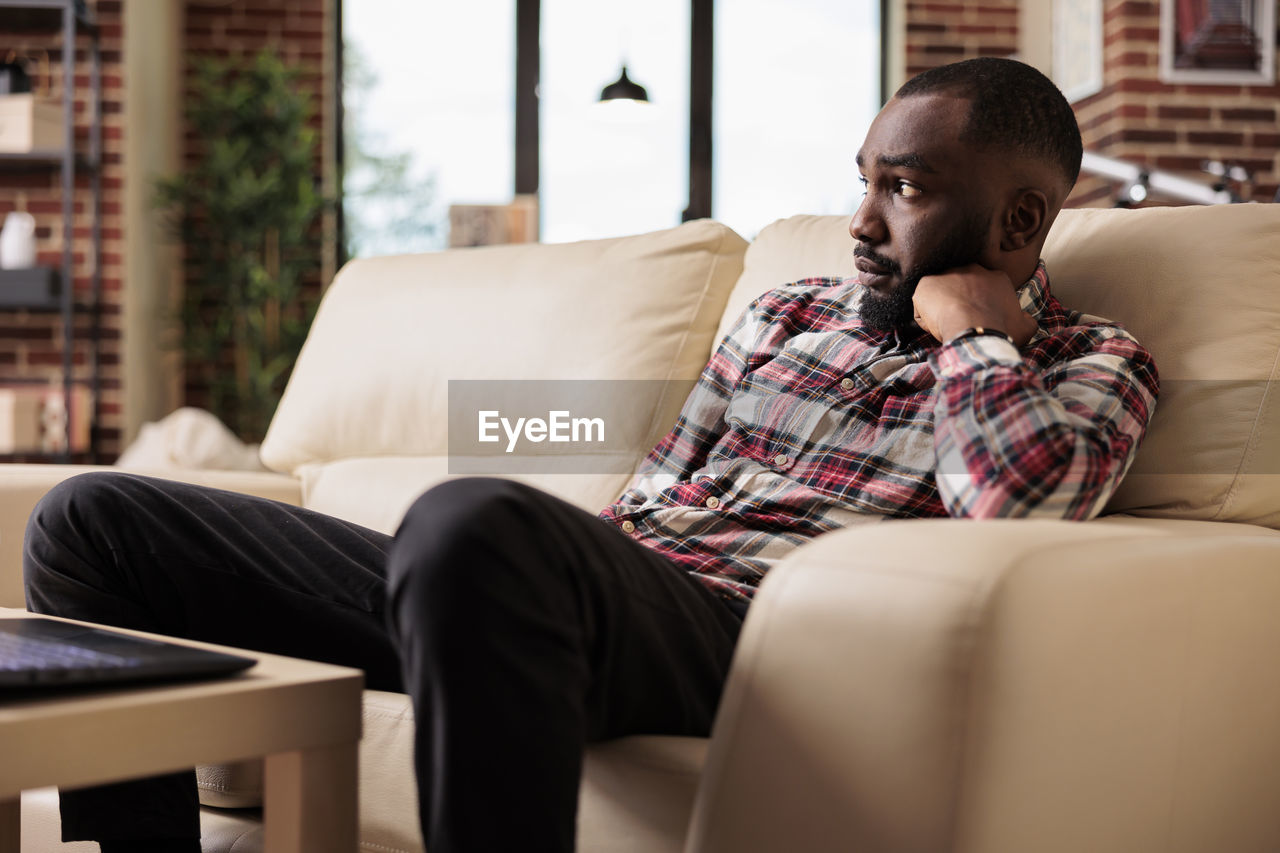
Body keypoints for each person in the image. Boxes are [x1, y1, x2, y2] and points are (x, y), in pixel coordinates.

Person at [23, 57, 1158, 853]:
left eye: (902, 189)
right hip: (595, 597)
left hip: (757, 631)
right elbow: (660, 484)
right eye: (862, 177)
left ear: (1014, 225)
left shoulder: (1086, 359)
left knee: (471, 519)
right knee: (92, 520)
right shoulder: (783, 315)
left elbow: (1015, 505)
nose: (861, 220)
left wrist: (971, 338)